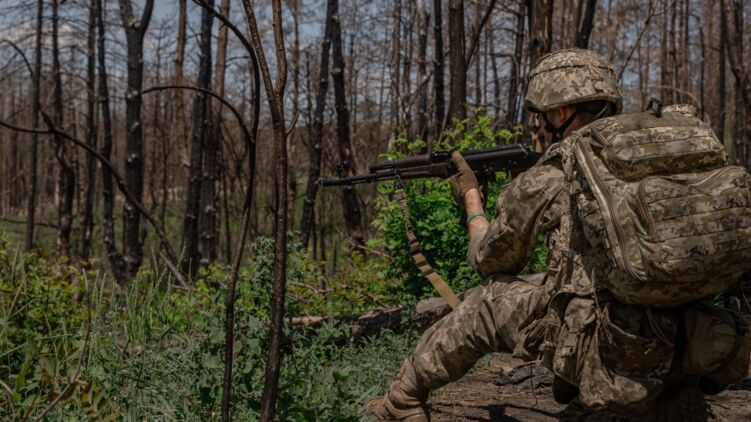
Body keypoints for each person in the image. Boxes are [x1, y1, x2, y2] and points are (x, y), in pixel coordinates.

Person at [366, 48, 737, 422]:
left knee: (488, 301)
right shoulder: (662, 153)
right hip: (697, 337)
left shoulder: (561, 168)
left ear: (561, 113)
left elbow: (490, 260)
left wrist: (473, 202)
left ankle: (401, 401)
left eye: (541, 116)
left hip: (610, 343)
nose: (538, 126)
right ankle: (664, 397)